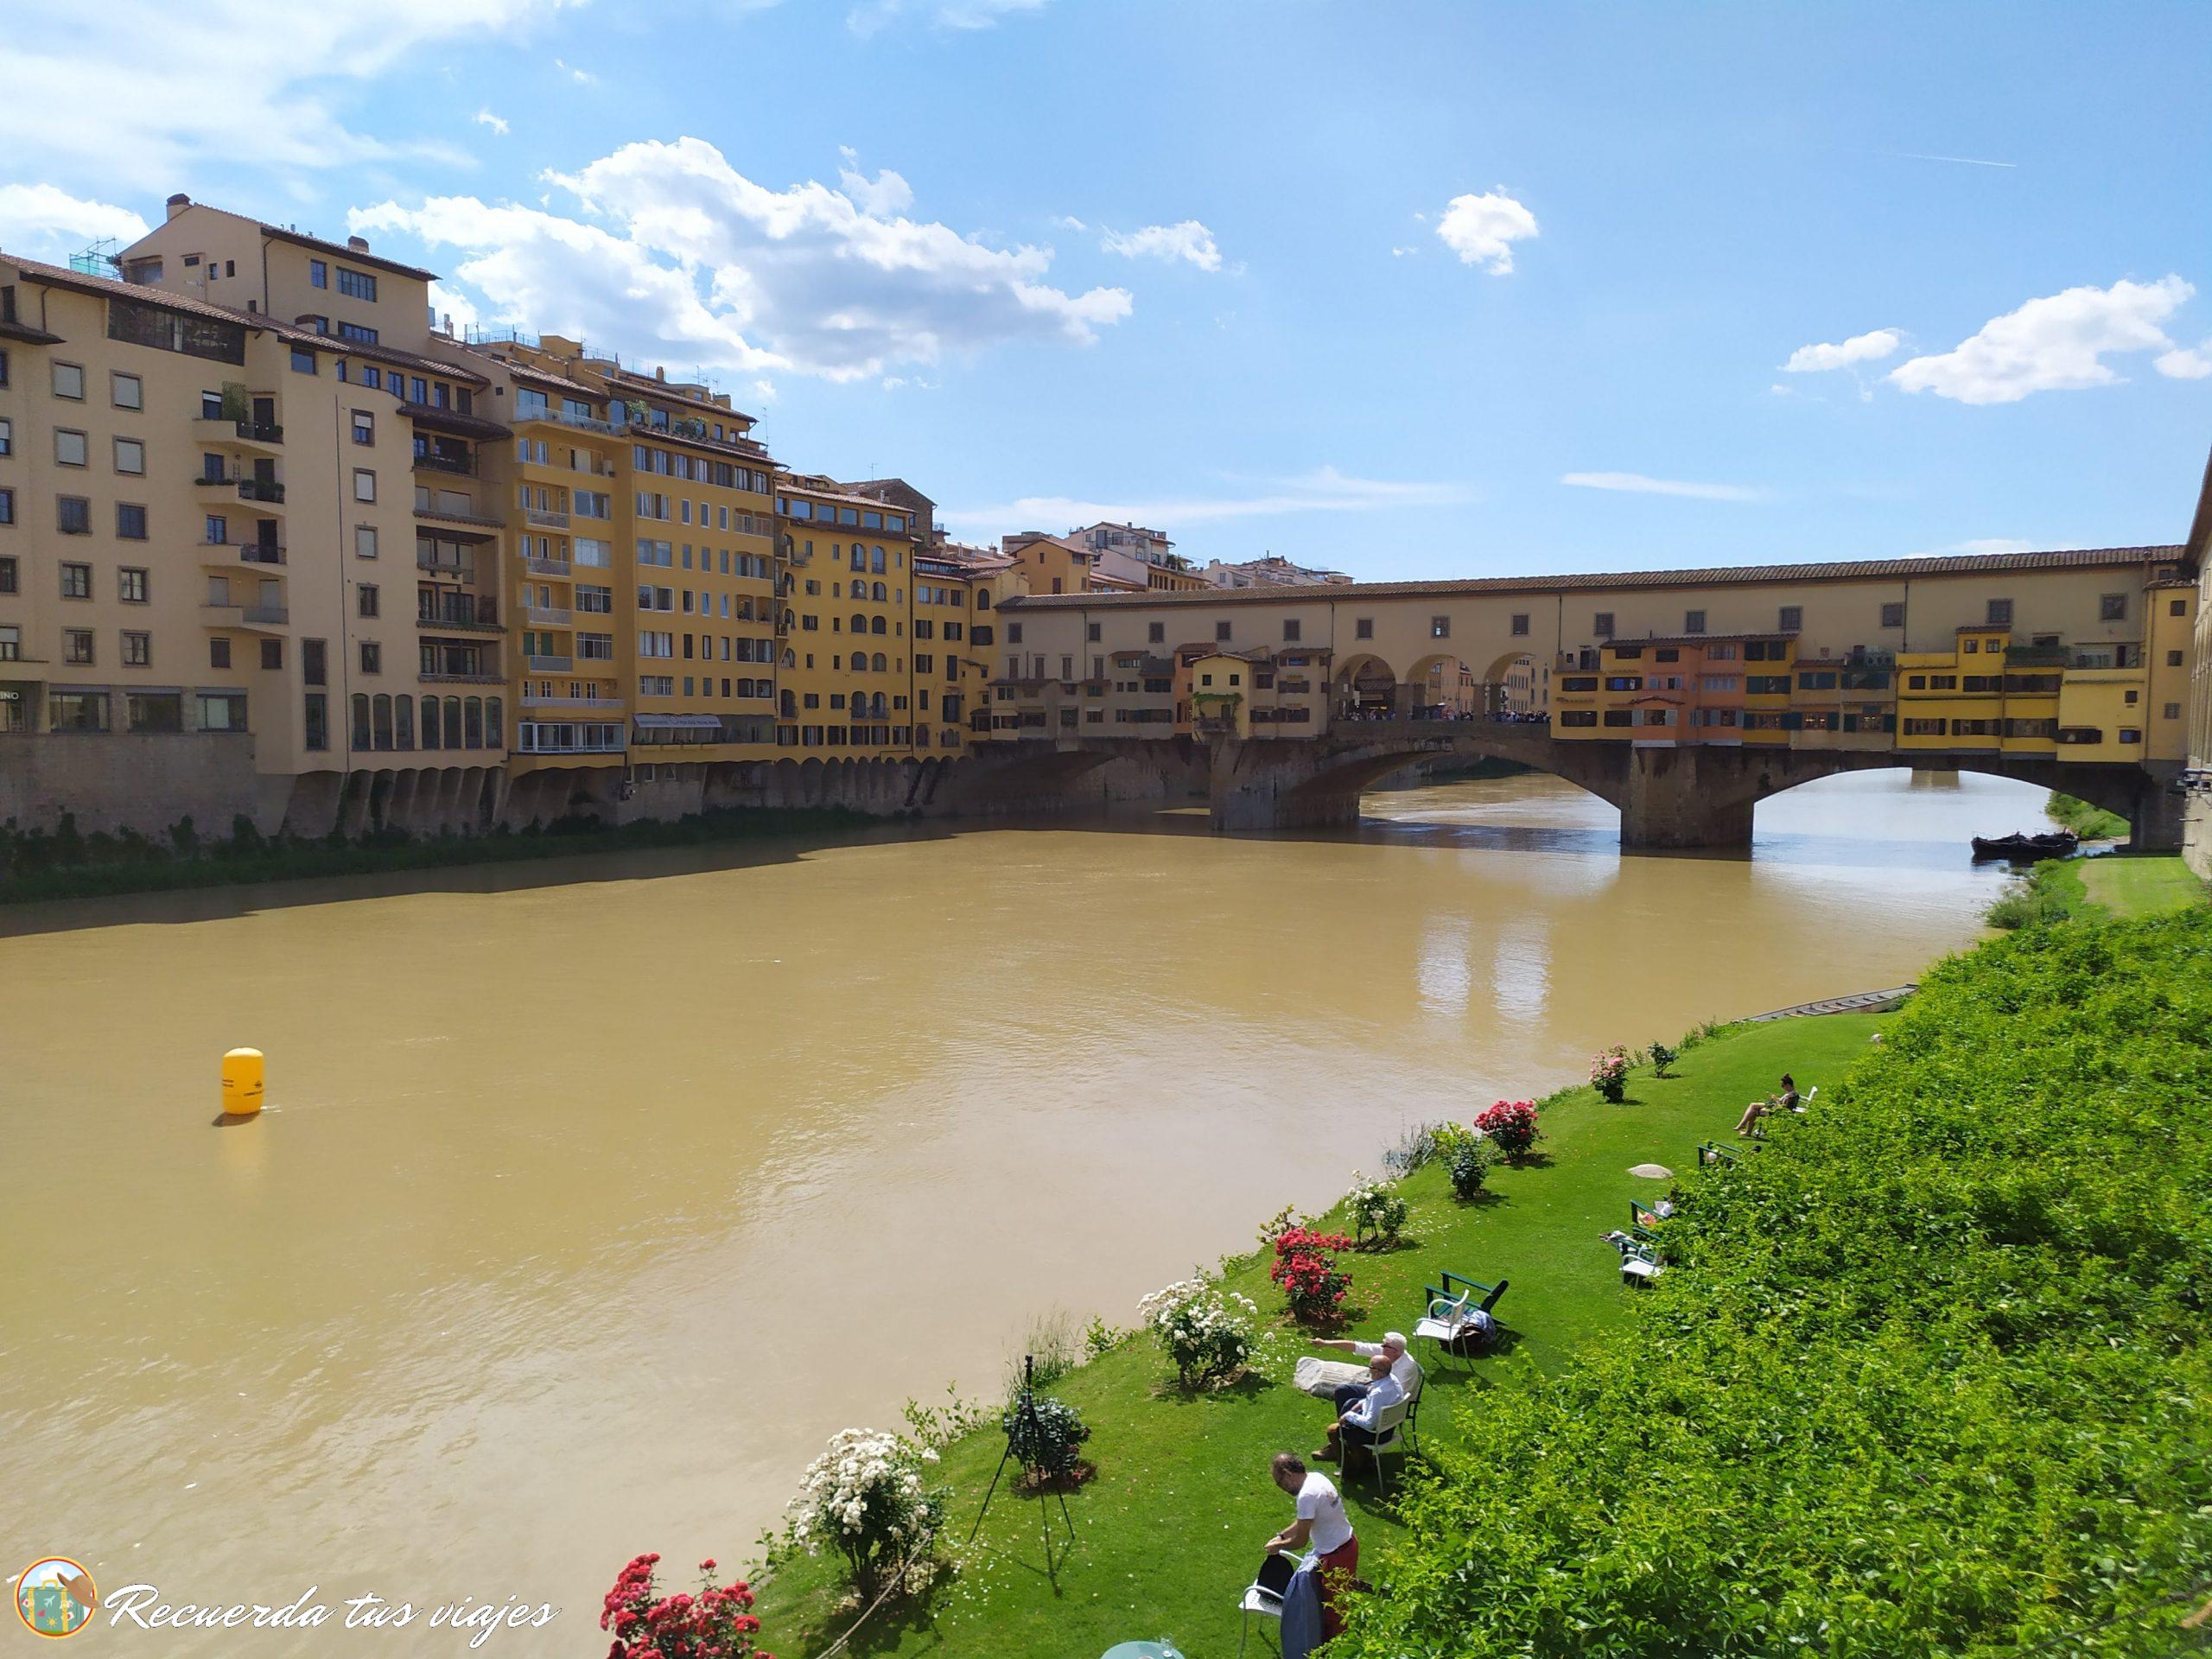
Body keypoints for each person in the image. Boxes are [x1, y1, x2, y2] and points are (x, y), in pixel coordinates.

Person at [1267, 1452, 1357, 1641]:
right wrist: (1281, 1536)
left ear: (1289, 1474)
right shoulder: (1316, 1478)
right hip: (1348, 1544)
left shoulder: (1306, 1496)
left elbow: (1300, 1541)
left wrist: (1278, 1547)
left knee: (1335, 1611)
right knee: (1340, 1601)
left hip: (1335, 1556)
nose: (1281, 1488)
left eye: (1279, 1482)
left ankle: (1338, 1648)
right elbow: (1304, 1520)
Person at [1313, 1353, 1405, 1466]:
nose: (1368, 1369)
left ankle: (1349, 1466)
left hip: (1376, 1435)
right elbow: (1375, 1400)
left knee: (1333, 1430)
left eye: (1371, 1367)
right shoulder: (1392, 1380)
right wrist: (1360, 1404)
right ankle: (1356, 1454)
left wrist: (1348, 1416)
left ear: (1379, 1372)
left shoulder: (1379, 1393)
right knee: (1351, 1402)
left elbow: (1369, 1424)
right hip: (1388, 1428)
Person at [1309, 1329, 1420, 1417]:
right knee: (1342, 1390)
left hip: (1391, 1403)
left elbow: (1397, 1397)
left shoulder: (1406, 1368)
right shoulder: (1388, 1351)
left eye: (1384, 1346)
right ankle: (1343, 1432)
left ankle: (1346, 1434)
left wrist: (1366, 1401)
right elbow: (1356, 1346)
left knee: (1350, 1402)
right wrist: (1325, 1343)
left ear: (1395, 1351)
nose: (1381, 1347)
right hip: (1380, 1388)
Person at [1734, 1071, 1800, 1137]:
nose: (1782, 1087)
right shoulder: (1794, 1093)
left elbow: (1782, 1108)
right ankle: (1744, 1126)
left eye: (1782, 1086)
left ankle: (1745, 1128)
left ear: (1788, 1085)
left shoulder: (1789, 1096)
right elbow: (1783, 1104)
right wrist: (1776, 1098)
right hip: (1778, 1108)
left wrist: (1775, 1099)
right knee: (1753, 1105)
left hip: (1777, 1112)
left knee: (1754, 1110)